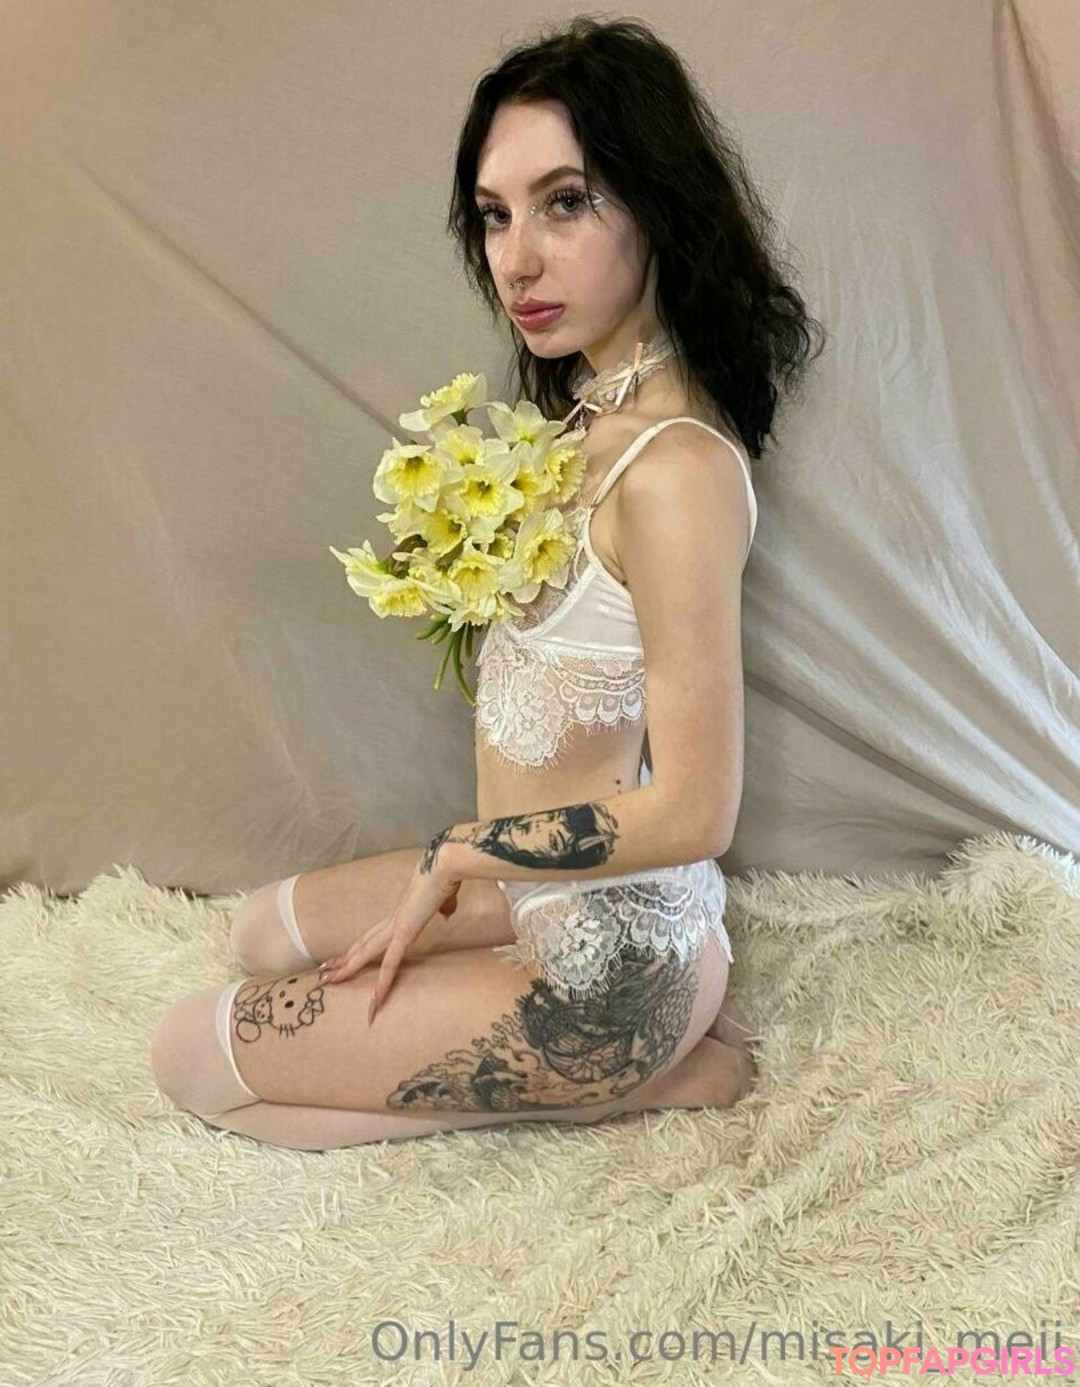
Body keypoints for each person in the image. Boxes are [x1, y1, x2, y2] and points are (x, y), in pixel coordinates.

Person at [150, 16, 824, 1150]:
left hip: (615, 974)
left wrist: (462, 852)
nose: (517, 261)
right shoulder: (581, 425)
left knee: (191, 1054)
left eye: (566, 203)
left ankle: (638, 1079)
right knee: (261, 931)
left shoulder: (677, 474)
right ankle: (607, 1049)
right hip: (531, 893)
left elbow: (698, 810)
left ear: (657, 205)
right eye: (496, 214)